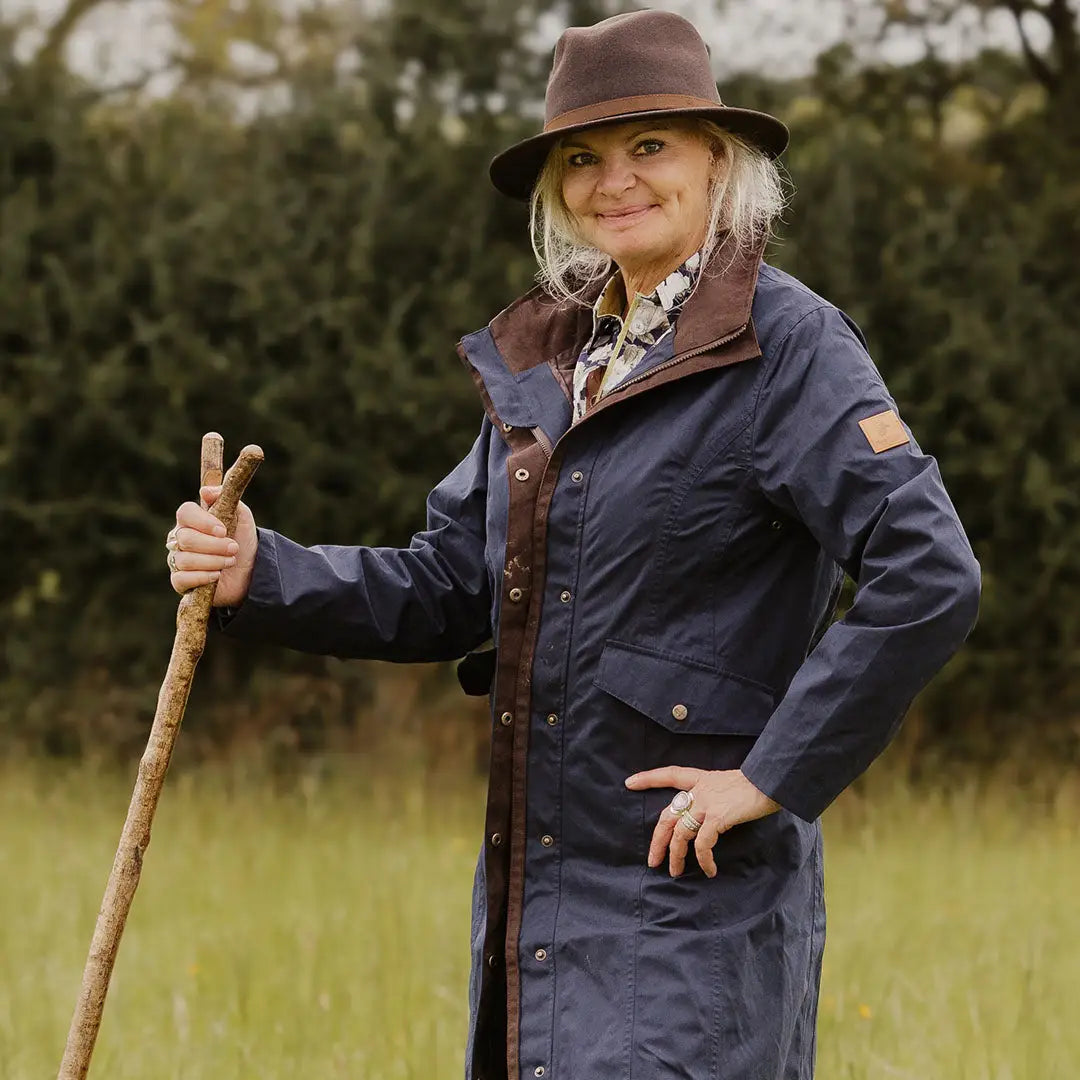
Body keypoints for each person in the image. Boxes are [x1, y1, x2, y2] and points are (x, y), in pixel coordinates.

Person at [165, 10, 981, 1080]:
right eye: (582, 158)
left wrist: (770, 776)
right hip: (531, 921)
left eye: (650, 146)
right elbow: (453, 584)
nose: (615, 181)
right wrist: (258, 571)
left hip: (691, 924)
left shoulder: (789, 349)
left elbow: (931, 574)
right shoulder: (551, 365)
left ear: (716, 160)